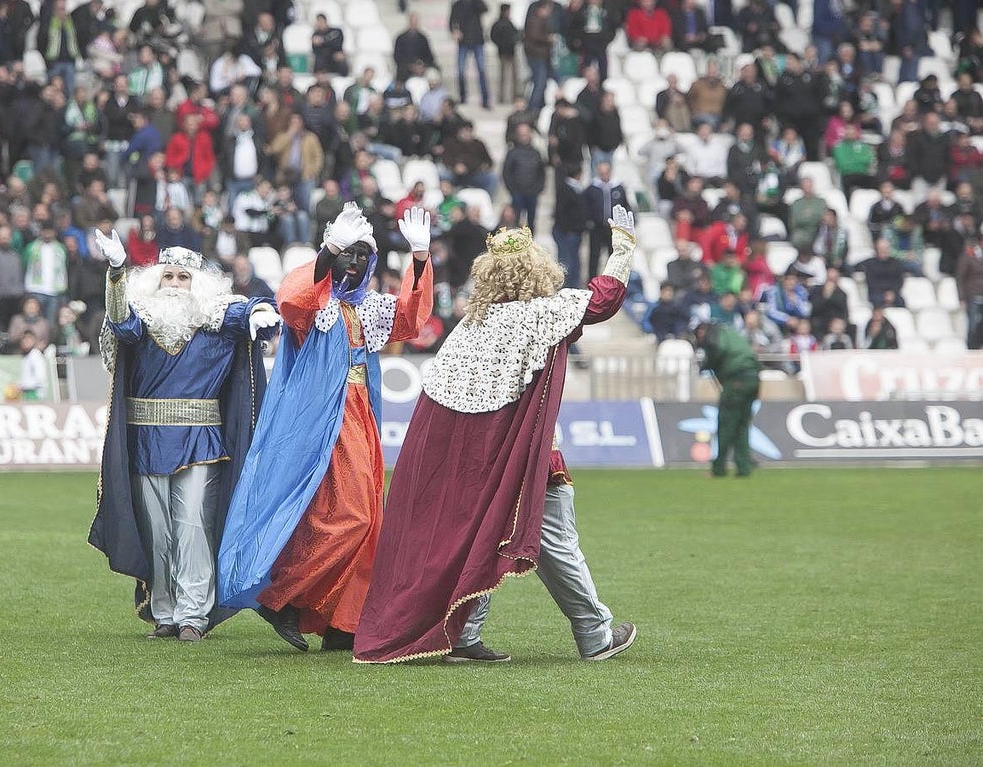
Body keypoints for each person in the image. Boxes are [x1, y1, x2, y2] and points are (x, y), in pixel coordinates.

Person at [353, 207, 639, 664]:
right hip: (519, 456)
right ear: (537, 272)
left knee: (481, 533)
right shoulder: (536, 316)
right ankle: (595, 633)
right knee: (553, 536)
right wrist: (622, 246)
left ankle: (465, 636)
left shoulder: (471, 326)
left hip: (469, 457)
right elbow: (600, 300)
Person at [218, 205, 434, 652]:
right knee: (351, 517)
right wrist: (328, 250)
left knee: (365, 518)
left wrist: (418, 256)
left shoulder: (367, 309)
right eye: (345, 255)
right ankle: (283, 600)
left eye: (360, 255)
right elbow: (292, 299)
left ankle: (342, 621)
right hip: (320, 420)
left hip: (361, 417)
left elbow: (410, 319)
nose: (352, 263)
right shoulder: (316, 308)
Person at [88, 234, 281, 642]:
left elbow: (249, 313)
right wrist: (117, 272)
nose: (175, 285)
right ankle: (165, 611)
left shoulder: (216, 318)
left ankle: (193, 613)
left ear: (198, 283)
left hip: (201, 440)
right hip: (145, 440)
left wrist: (263, 311)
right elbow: (121, 322)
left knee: (193, 525)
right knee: (156, 530)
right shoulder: (141, 323)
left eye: (183, 277)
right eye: (168, 277)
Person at [692, 322, 761, 478]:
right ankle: (744, 467)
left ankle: (719, 468)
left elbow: (718, 348)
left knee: (726, 424)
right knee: (742, 425)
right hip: (753, 378)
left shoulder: (713, 334)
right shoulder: (731, 333)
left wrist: (708, 364)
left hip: (736, 380)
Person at [450, 0, 491, 109]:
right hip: (463, 42)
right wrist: (455, 31)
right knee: (460, 70)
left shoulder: (475, 3)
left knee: (482, 70)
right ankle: (463, 97)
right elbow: (451, 22)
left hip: (477, 40)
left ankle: (485, 99)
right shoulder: (457, 4)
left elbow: (485, 9)